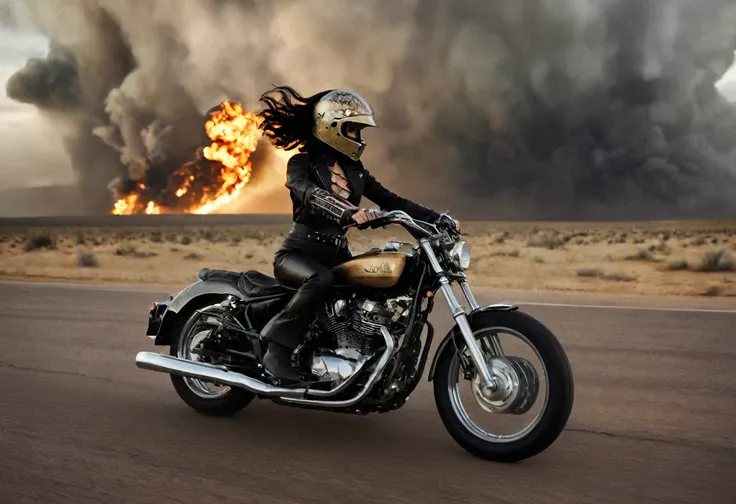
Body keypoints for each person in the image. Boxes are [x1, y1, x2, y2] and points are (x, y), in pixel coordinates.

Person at [256, 85, 458, 382]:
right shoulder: (302, 164)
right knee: (319, 280)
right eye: (353, 130)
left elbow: (392, 200)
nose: (358, 138)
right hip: (299, 253)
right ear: (332, 127)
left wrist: (437, 219)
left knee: (369, 294)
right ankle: (276, 348)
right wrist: (348, 213)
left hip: (337, 255)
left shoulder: (355, 169)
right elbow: (308, 193)